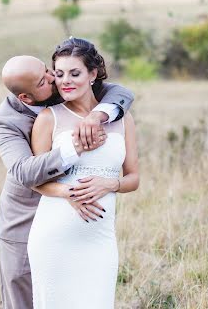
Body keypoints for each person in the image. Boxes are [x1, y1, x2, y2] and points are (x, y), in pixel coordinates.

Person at [0, 50, 135, 309]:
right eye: (44, 80)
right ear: (25, 97)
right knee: (26, 299)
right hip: (25, 220)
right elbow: (24, 172)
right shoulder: (6, 123)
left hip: (82, 226)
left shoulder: (67, 86)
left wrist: (96, 116)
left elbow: (121, 93)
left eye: (48, 69)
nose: (54, 78)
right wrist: (75, 147)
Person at [27, 38, 140, 308]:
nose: (65, 81)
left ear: (93, 74)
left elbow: (134, 178)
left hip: (99, 240)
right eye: (59, 73)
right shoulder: (48, 118)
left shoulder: (122, 119)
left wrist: (109, 184)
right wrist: (70, 193)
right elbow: (36, 181)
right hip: (54, 236)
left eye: (75, 73)